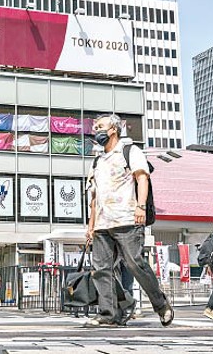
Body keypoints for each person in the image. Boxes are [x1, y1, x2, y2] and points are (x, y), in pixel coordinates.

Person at [85, 113, 173, 327]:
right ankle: (109, 314)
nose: (96, 130)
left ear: (113, 129)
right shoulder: (97, 161)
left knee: (135, 264)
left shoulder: (129, 151)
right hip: (103, 224)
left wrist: (140, 206)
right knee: (101, 269)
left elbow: (142, 178)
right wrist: (91, 225)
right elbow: (94, 197)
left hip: (127, 218)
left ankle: (161, 305)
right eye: (96, 126)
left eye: (100, 126)